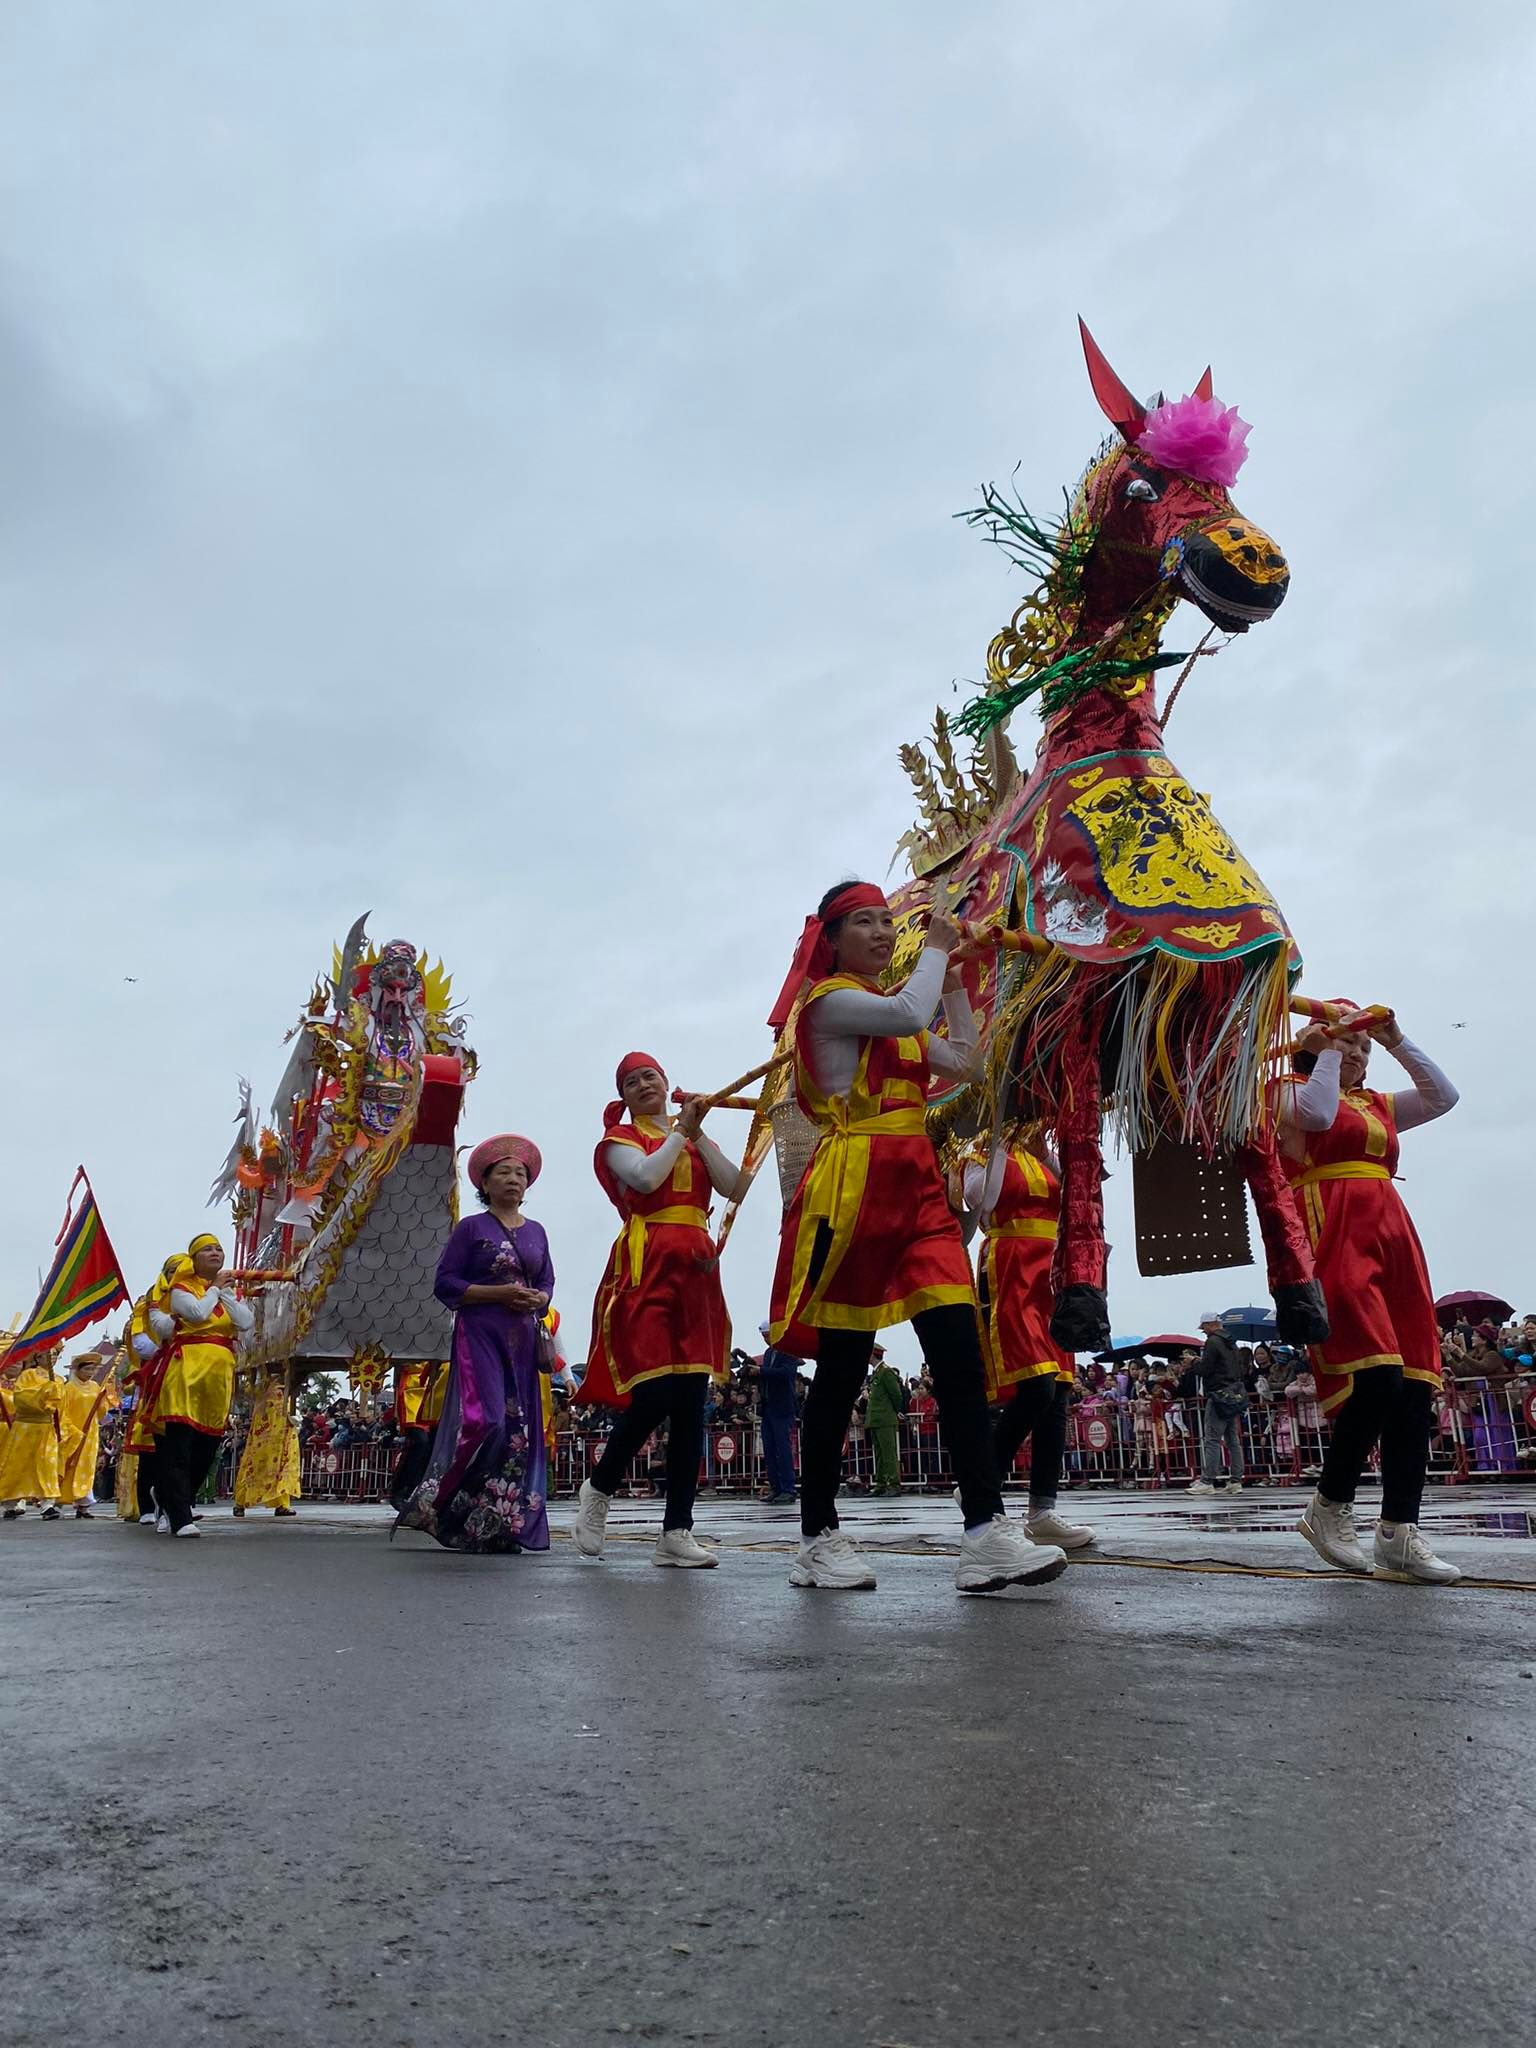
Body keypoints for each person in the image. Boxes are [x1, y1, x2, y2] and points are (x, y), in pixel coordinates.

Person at [766, 881, 1068, 1594]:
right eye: (863, 923)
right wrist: (935, 950)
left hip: (919, 1191)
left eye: (884, 922)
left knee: (960, 1357)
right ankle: (816, 1536)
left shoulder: (895, 1014)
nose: (879, 932)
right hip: (856, 1187)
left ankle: (984, 1532)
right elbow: (907, 1008)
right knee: (840, 1371)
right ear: (831, 941)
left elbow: (964, 1064)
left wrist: (960, 983)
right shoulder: (830, 1002)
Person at [1283, 1009, 1461, 1583]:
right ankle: (1329, 1505)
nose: (1359, 1053)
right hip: (1332, 1232)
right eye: (1348, 1043)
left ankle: (1400, 1533)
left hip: (1393, 1235)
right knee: (1377, 1375)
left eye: (1363, 1046)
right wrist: (1328, 1052)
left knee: (1414, 1385)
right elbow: (1318, 1112)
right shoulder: (1281, 1093)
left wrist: (1398, 1039)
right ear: (1311, 1045)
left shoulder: (1379, 1104)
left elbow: (1443, 1098)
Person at [574, 1053, 746, 1568]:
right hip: (645, 1266)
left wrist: (697, 1134)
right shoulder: (618, 1142)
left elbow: (734, 1186)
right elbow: (647, 1181)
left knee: (692, 1400)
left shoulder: (688, 1135)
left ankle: (677, 1532)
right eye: (632, 1082)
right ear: (623, 1097)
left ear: (667, 1083)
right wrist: (682, 1134)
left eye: (650, 1075)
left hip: (696, 1268)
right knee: (654, 1393)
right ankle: (599, 1488)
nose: (643, 1084)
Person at [395, 1134, 552, 1555]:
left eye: (520, 1173)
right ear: (485, 1182)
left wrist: (540, 1299)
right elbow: (445, 1283)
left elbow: (546, 1281)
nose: (514, 1179)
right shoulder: (471, 1228)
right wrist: (498, 1294)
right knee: (489, 1423)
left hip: (521, 1339)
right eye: (504, 1172)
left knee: (518, 1434)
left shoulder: (537, 1232)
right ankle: (446, 1509)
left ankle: (498, 1525)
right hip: (479, 1332)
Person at [964, 1131, 1094, 1550]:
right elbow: (983, 1201)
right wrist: (1001, 1141)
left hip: (1052, 1270)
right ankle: (983, 1478)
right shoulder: (977, 1153)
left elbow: (1081, 1194)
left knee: (1058, 1392)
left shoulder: (1042, 1155)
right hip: (1012, 1266)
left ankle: (1042, 1509)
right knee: (1036, 1386)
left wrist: (1047, 1152)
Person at [153, 1235, 252, 1536]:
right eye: (207, 1249)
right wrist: (215, 1290)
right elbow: (196, 1314)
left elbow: (245, 1322)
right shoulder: (181, 1289)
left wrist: (225, 1293)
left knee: (207, 1449)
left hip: (218, 1378)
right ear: (193, 1259)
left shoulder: (225, 1292)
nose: (215, 1253)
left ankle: (169, 1497)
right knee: (180, 1446)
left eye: (219, 1249)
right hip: (186, 1373)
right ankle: (181, 1517)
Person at [1187, 1313, 1247, 1497]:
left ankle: (1207, 1481)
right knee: (1232, 1440)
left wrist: (1194, 1362)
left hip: (1219, 1394)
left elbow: (1206, 1370)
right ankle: (1236, 1480)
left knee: (1212, 1438)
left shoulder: (1213, 1342)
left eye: (1204, 1327)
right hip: (1234, 1392)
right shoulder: (1232, 1342)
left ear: (1211, 1325)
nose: (1203, 1331)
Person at [0, 1347, 64, 1519]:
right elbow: (21, 1397)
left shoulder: (58, 1379)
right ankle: (10, 1503)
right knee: (18, 1466)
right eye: (48, 1355)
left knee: (47, 1466)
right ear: (38, 1357)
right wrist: (45, 1394)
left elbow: (62, 1406)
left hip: (46, 1428)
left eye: (55, 1355)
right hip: (25, 1427)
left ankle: (47, 1504)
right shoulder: (27, 1375)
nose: (52, 1358)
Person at [233, 1363, 301, 1517]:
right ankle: (240, 1502)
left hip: (283, 1433)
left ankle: (282, 1504)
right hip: (263, 1434)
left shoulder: (286, 1388)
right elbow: (249, 1392)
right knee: (255, 1464)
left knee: (283, 1466)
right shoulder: (261, 1382)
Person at [57, 1354, 116, 1517]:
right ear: (78, 1369)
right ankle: (59, 1500)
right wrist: (72, 1431)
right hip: (73, 1432)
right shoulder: (68, 1388)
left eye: (93, 1369)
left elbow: (101, 1412)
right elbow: (63, 1412)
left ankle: (83, 1505)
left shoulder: (96, 1387)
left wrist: (104, 1398)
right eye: (87, 1369)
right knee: (69, 1466)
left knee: (87, 1466)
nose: (90, 1373)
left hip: (90, 1433)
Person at [756, 1322, 800, 1504]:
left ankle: (788, 1489)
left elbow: (786, 1373)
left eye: (767, 1335)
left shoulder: (789, 1351)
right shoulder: (768, 1354)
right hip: (768, 1408)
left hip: (782, 1408)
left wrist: (761, 1371)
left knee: (783, 1449)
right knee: (770, 1449)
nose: (766, 1340)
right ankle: (776, 1487)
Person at [864, 1343, 905, 1497]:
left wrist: (893, 1411)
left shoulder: (886, 1372)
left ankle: (894, 1484)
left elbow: (896, 1395)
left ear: (873, 1354)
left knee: (889, 1454)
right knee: (879, 1454)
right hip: (876, 1419)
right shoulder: (877, 1373)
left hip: (885, 1419)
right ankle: (881, 1483)